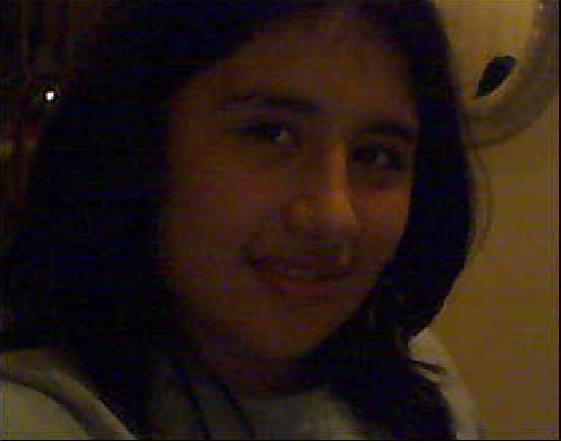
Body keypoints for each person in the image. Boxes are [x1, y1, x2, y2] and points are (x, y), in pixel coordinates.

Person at [1, 0, 484, 439]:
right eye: (272, 134)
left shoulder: (417, 373)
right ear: (140, 143)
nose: (334, 217)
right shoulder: (35, 415)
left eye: (375, 156)